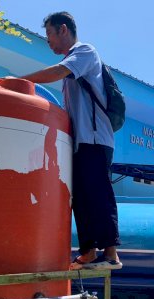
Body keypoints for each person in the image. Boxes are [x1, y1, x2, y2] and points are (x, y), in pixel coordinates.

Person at [19, 11, 121, 270]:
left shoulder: (84, 52)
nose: (48, 42)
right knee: (80, 196)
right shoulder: (72, 63)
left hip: (96, 139)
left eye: (49, 35)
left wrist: (21, 81)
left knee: (98, 192)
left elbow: (57, 72)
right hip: (79, 142)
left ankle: (111, 254)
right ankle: (88, 251)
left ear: (63, 30)